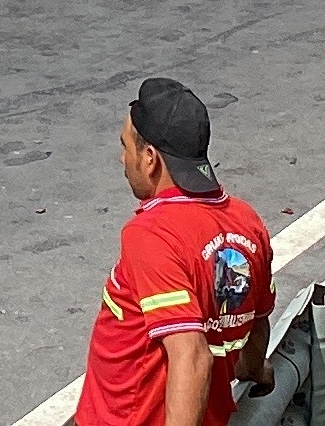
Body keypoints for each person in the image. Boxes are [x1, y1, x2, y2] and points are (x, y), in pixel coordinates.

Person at [75, 78, 275, 426]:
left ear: (150, 158)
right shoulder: (248, 223)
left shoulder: (152, 235)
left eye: (126, 147)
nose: (122, 158)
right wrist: (256, 369)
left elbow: (191, 355)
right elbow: (257, 324)